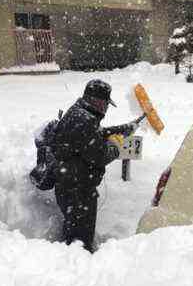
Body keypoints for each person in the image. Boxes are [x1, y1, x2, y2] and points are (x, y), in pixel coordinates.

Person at [51, 79, 142, 252]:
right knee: (80, 244)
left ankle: (72, 259)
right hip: (77, 192)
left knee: (74, 236)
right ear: (97, 101)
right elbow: (99, 156)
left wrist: (125, 128)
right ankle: (79, 270)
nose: (107, 108)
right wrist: (117, 147)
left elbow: (97, 134)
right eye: (106, 104)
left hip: (71, 187)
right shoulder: (85, 120)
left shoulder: (80, 113)